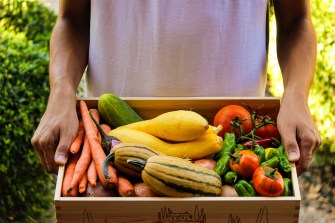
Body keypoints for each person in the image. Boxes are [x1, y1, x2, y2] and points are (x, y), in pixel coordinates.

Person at [32, 0, 321, 176]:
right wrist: (60, 92)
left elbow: (296, 20)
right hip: (115, 148)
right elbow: (72, 19)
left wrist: (296, 96)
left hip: (237, 145)